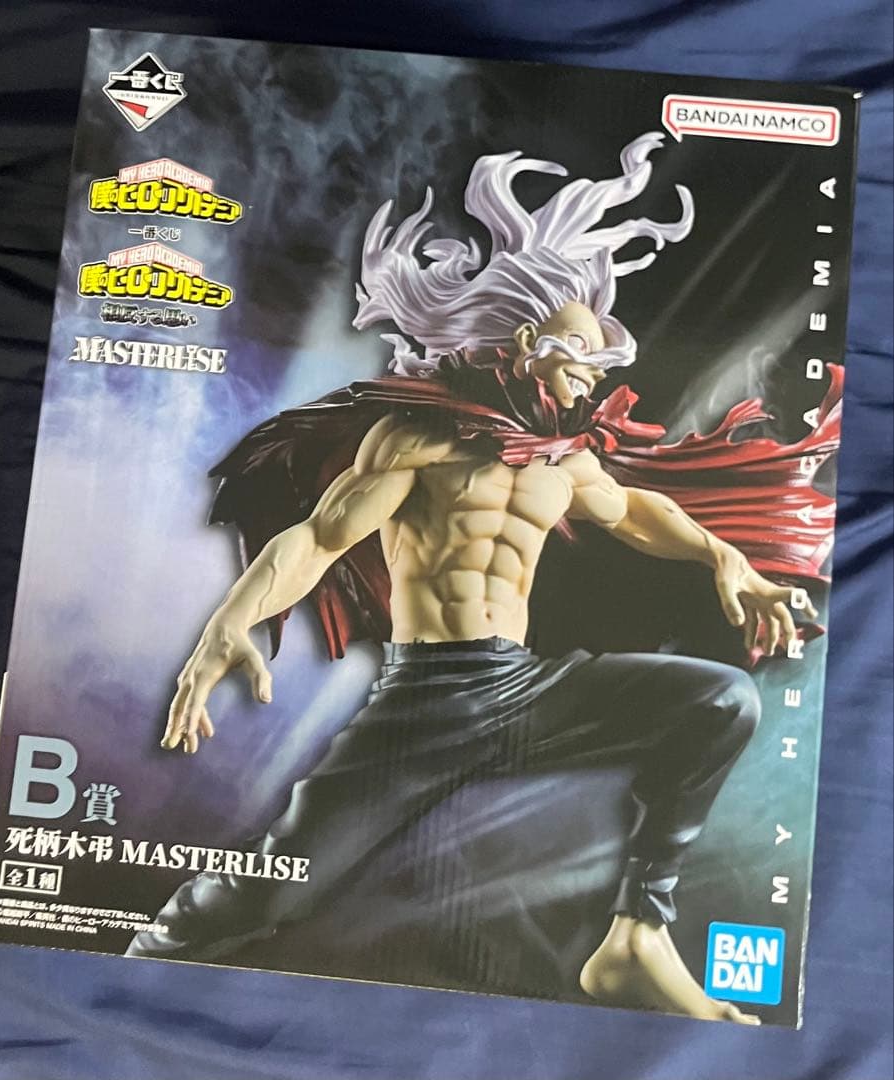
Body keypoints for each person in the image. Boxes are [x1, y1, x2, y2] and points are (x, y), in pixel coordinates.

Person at [128, 136, 821, 1024]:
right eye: (580, 353)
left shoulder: (563, 459)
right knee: (271, 888)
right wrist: (229, 620)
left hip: (521, 686)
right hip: (426, 698)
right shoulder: (418, 439)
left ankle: (633, 939)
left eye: (602, 361)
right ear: (527, 342)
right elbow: (318, 538)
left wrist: (725, 557)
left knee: (718, 700)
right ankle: (132, 960)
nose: (593, 373)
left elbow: (636, 512)